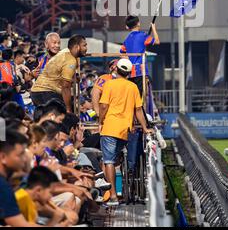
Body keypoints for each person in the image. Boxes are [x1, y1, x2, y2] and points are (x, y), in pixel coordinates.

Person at [99, 58, 152, 206]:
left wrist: (100, 121)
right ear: (129, 72)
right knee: (117, 160)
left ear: (116, 70)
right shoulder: (133, 87)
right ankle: (124, 185)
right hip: (126, 130)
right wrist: (145, 127)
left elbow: (103, 106)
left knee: (108, 161)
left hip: (110, 128)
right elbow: (138, 110)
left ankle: (114, 196)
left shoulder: (109, 84)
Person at [31, 35, 87, 110]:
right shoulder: (70, 59)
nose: (86, 48)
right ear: (77, 47)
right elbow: (65, 86)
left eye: (58, 43)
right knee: (62, 115)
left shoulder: (65, 52)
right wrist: (68, 110)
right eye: (84, 45)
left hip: (41, 92)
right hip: (44, 92)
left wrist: (74, 78)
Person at [0, 130, 36, 227]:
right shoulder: (2, 186)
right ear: (3, 157)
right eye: (20, 154)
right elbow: (21, 224)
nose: (24, 159)